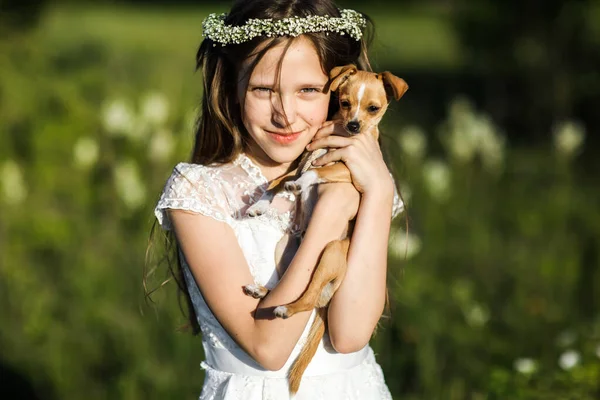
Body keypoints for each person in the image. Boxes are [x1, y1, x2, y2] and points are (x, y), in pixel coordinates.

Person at [151, 0, 404, 398]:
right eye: (263, 89)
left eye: (308, 90)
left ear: (340, 88)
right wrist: (331, 213)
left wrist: (379, 191)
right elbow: (268, 348)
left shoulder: (369, 184)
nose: (284, 114)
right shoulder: (201, 192)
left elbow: (350, 334)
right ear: (231, 90)